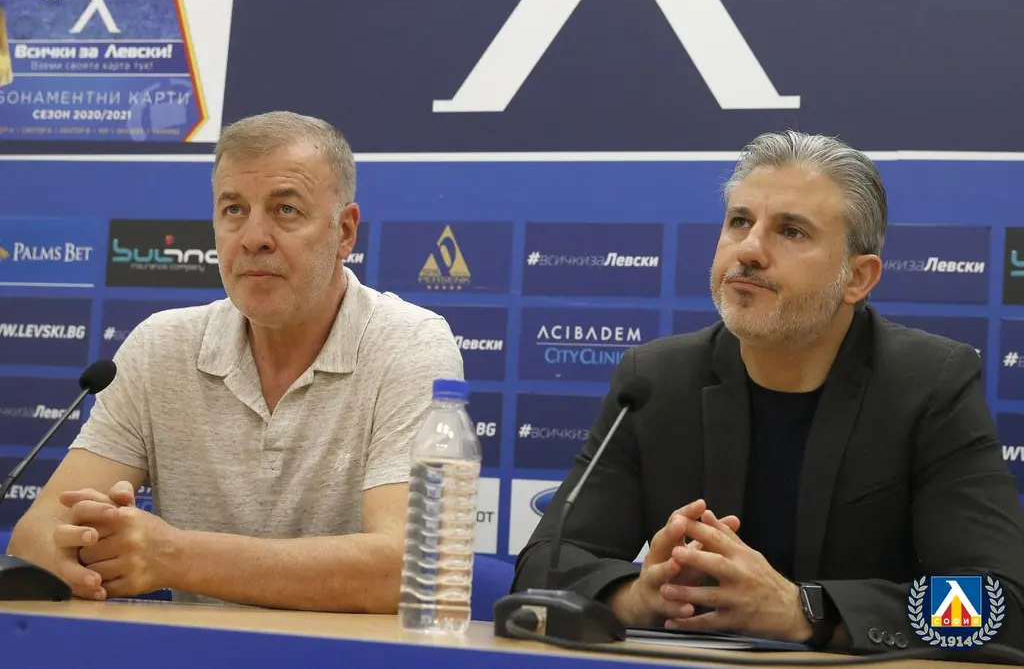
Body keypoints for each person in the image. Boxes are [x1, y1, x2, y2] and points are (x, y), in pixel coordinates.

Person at [511, 131, 1024, 655]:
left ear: (857, 278)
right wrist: (637, 596)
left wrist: (805, 611)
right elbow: (543, 567)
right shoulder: (657, 381)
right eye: (740, 221)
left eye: (791, 231)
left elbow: (999, 605)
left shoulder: (929, 385)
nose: (750, 250)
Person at [8, 111, 464, 612]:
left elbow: (412, 568)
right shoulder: (161, 346)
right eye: (234, 210)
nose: (253, 237)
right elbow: (33, 539)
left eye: (285, 209)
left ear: (345, 231)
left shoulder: (409, 345)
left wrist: (174, 556)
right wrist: (84, 545)